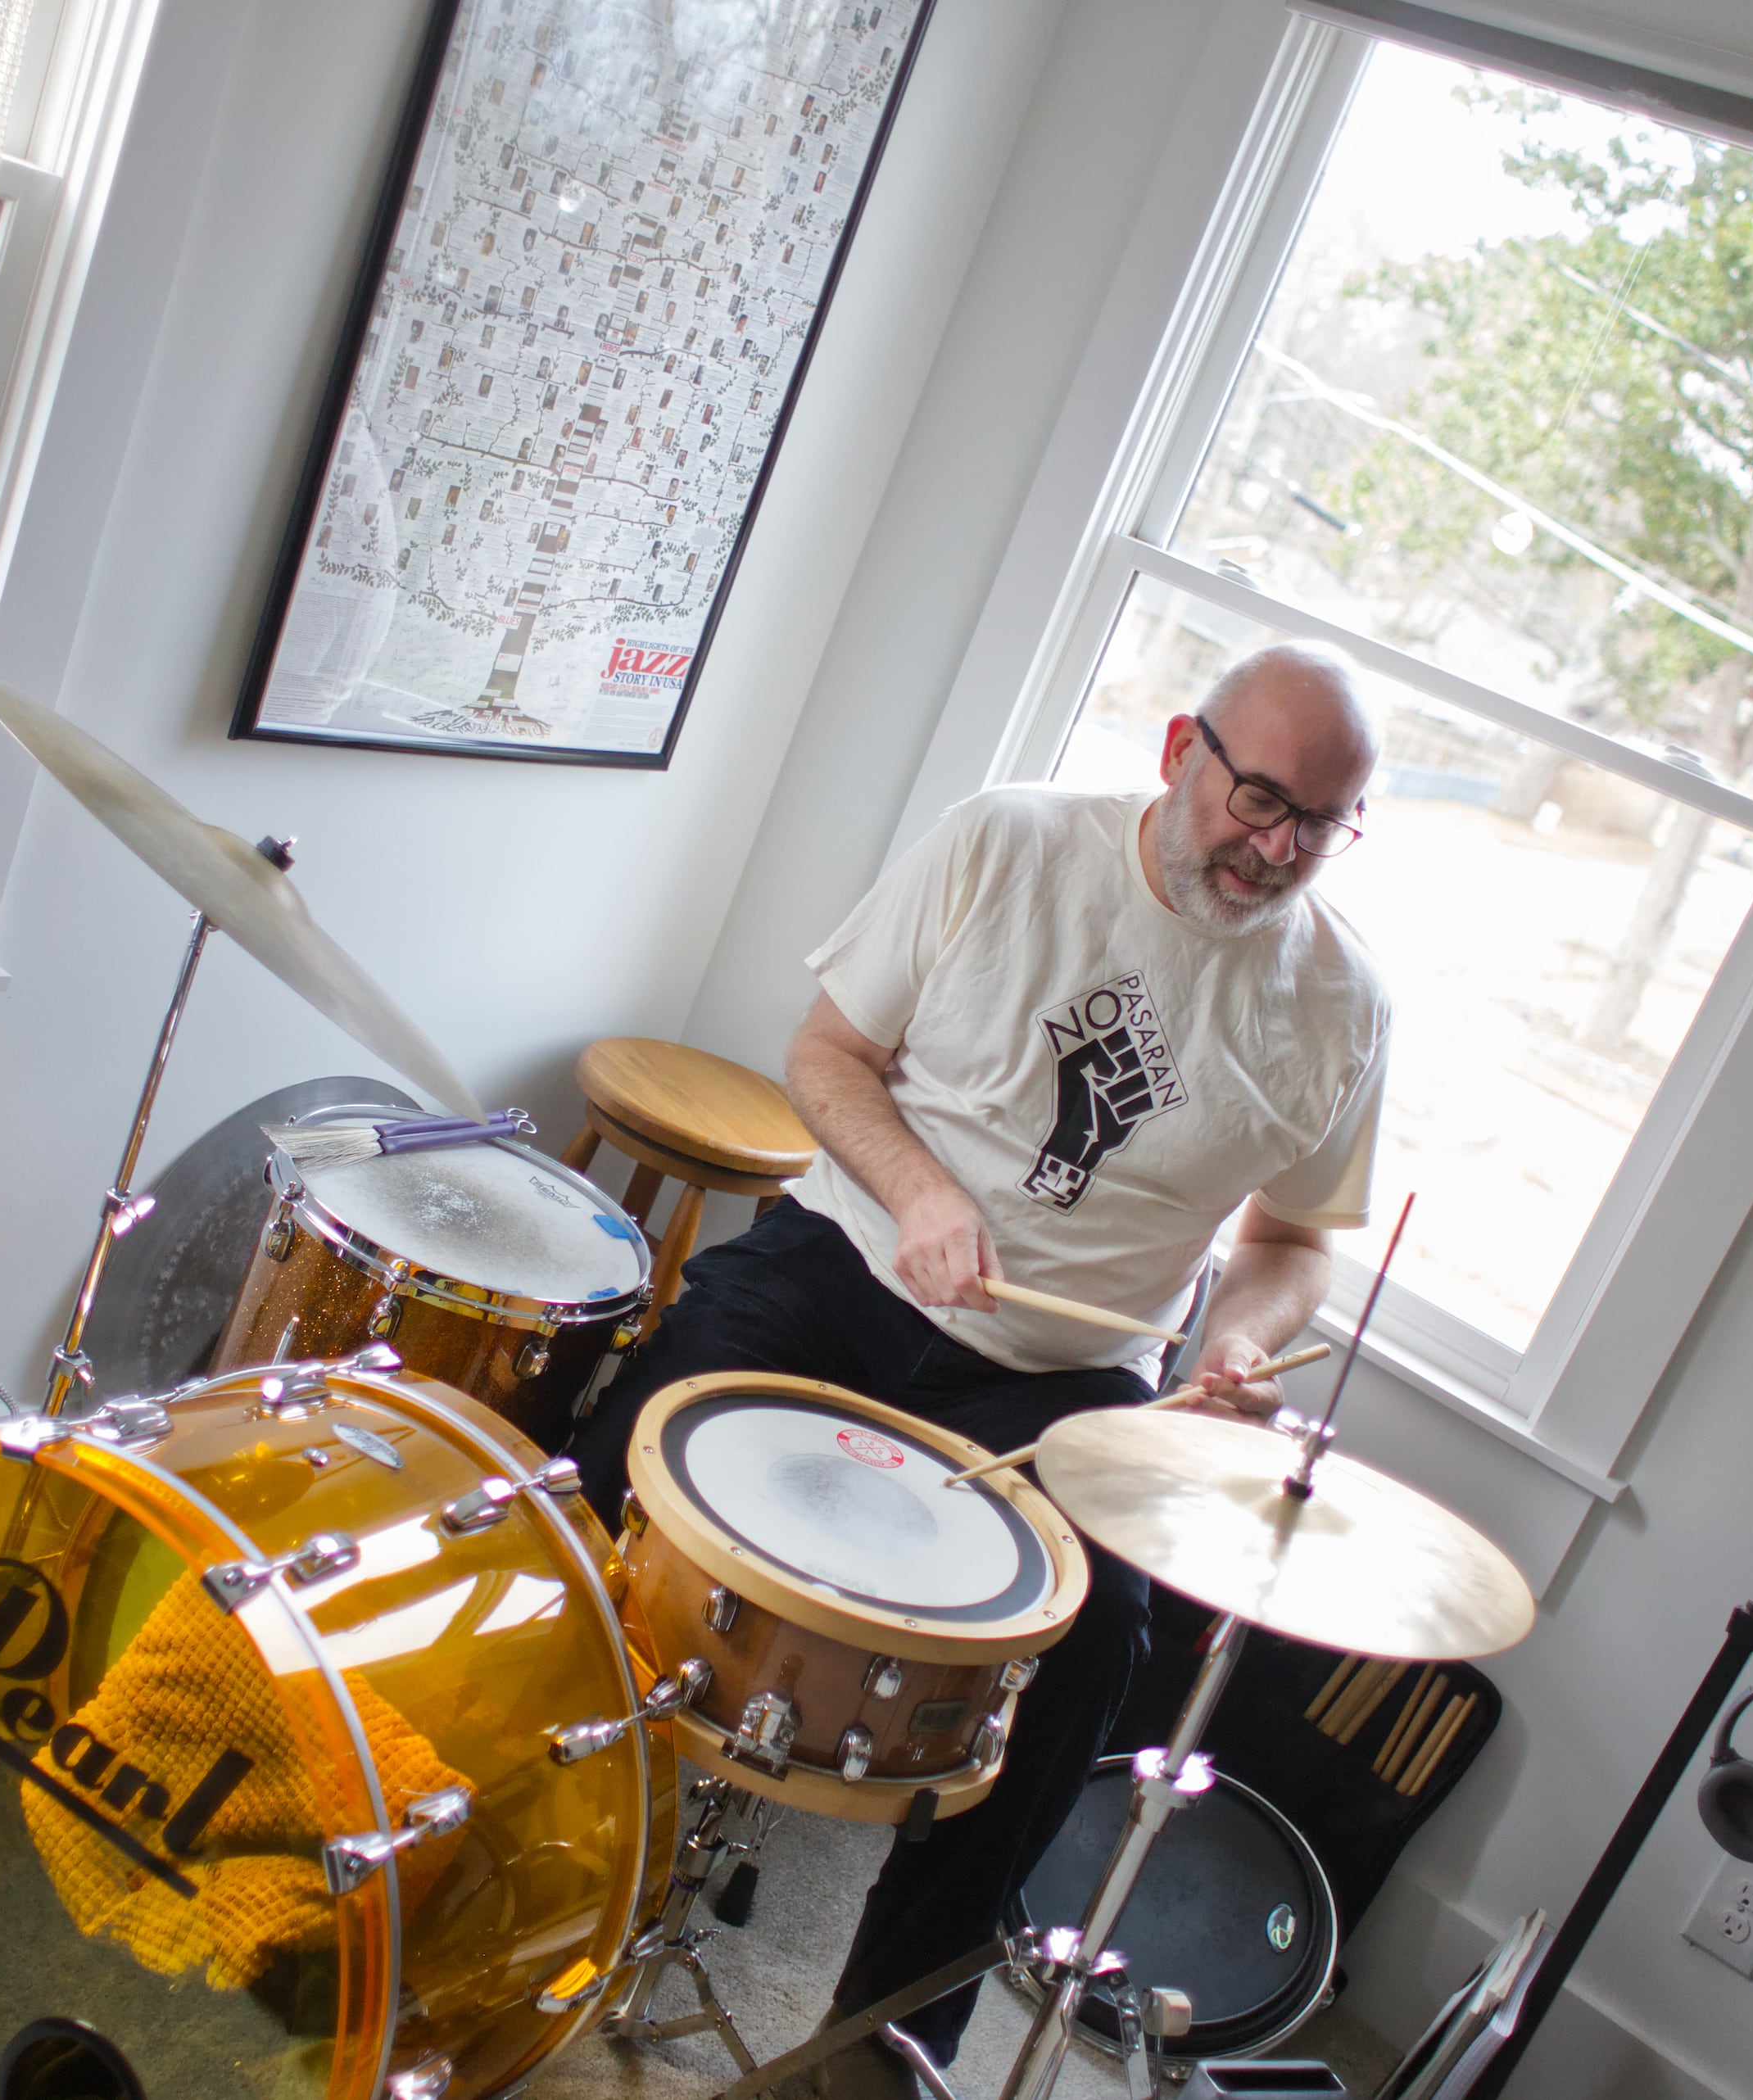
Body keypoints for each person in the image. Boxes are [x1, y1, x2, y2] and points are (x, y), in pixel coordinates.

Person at [567, 642, 1390, 2097]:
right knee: (631, 1432)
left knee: (1098, 1647)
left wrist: (1243, 1340)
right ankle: (499, 1805)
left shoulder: (1340, 1004)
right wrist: (918, 1192)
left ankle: (884, 2040)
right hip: (848, 1266)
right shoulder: (1008, 840)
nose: (1273, 848)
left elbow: (1292, 1237)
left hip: (1068, 1371)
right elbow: (827, 1058)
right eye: (1255, 798)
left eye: (1315, 827)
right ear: (1177, 751)